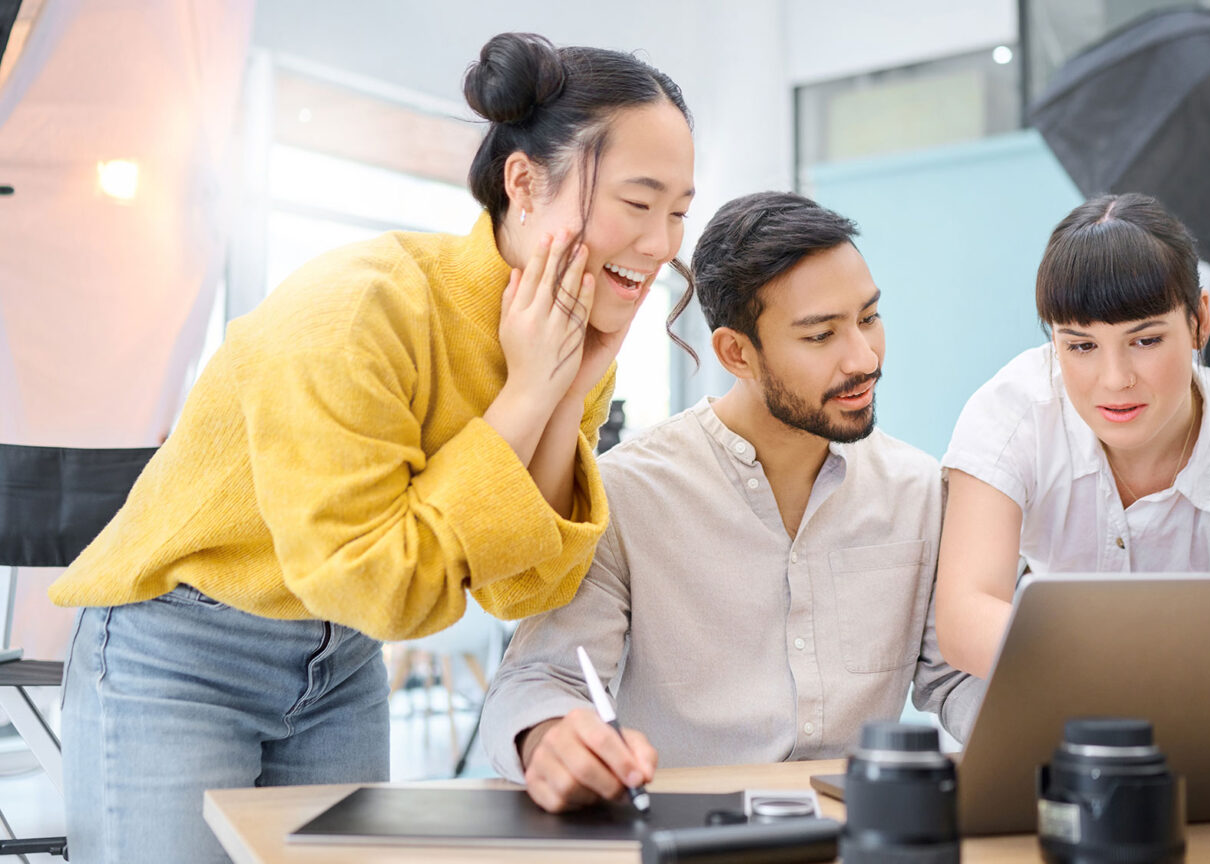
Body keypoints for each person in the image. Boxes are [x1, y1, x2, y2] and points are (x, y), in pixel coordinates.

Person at [47, 33, 695, 863]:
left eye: (677, 211)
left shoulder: (558, 334)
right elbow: (374, 580)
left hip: (342, 659)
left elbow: (528, 586)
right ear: (524, 183)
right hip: (181, 653)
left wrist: (566, 388)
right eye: (638, 205)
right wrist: (531, 392)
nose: (662, 243)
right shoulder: (358, 310)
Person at [481, 191, 982, 813]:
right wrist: (551, 739)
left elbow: (955, 674)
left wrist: (1050, 718)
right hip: (691, 834)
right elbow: (539, 680)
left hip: (862, 833)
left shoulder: (919, 489)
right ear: (736, 353)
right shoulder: (628, 494)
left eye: (870, 318)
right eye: (822, 334)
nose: (864, 357)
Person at [935, 193, 1210, 677]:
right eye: (1081, 346)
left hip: (1204, 720)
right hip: (1049, 702)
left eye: (1145, 340)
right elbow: (965, 619)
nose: (1115, 379)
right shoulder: (1012, 414)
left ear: (1200, 321)